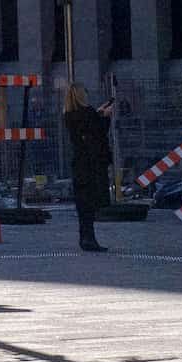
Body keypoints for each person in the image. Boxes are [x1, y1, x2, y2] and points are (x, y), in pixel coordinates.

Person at [65, 85, 116, 252]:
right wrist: (106, 116)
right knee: (92, 200)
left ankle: (85, 237)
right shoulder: (88, 113)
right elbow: (99, 132)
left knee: (83, 202)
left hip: (79, 161)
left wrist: (98, 114)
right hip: (92, 163)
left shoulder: (68, 114)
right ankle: (89, 239)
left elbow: (87, 127)